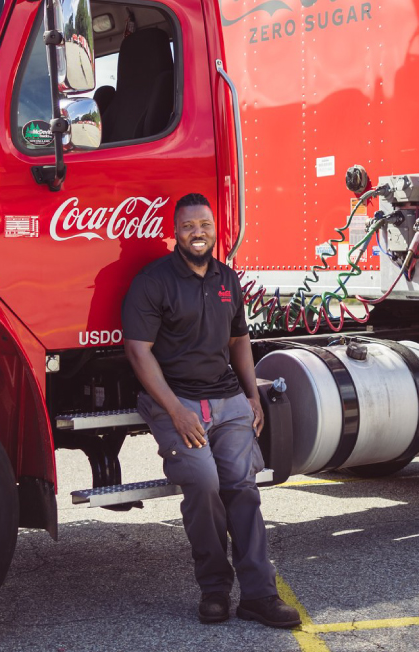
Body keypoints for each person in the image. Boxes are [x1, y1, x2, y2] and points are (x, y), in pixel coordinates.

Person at [122, 192, 302, 628]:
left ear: (214, 228)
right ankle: (215, 589)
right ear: (175, 233)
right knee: (202, 483)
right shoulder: (154, 281)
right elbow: (138, 350)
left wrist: (252, 394)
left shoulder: (227, 279)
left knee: (242, 487)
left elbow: (239, 340)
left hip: (227, 399)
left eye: (203, 225)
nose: (196, 233)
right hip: (177, 402)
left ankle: (259, 595)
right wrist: (176, 412)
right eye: (187, 227)